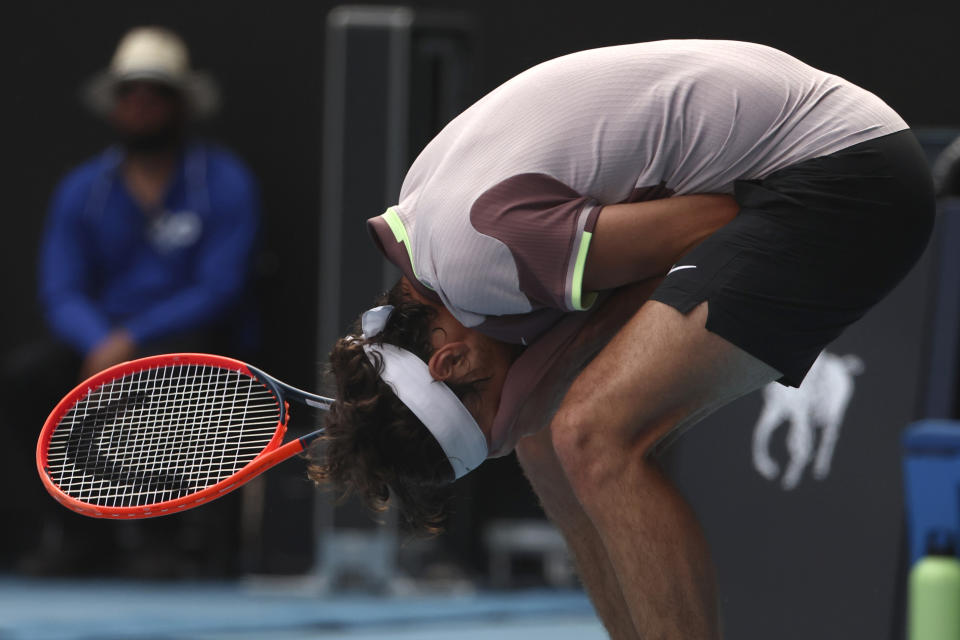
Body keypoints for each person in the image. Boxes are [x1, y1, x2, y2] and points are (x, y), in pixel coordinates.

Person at [308, 40, 934, 639]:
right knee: (546, 446)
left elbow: (716, 219)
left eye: (495, 399)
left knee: (591, 433)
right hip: (816, 153)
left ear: (450, 358)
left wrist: (551, 374)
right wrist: (526, 404)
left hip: (846, 178)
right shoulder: (428, 230)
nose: (517, 389)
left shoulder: (482, 265)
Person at [4, 26, 260, 576]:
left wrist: (132, 340)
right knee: (28, 379)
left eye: (156, 91)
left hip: (185, 340)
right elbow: (61, 288)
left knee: (182, 368)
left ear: (183, 103)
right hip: (98, 340)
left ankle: (167, 538)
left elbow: (220, 287)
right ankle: (78, 535)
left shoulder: (224, 182)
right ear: (115, 105)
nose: (141, 103)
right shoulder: (82, 189)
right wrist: (99, 340)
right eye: (130, 91)